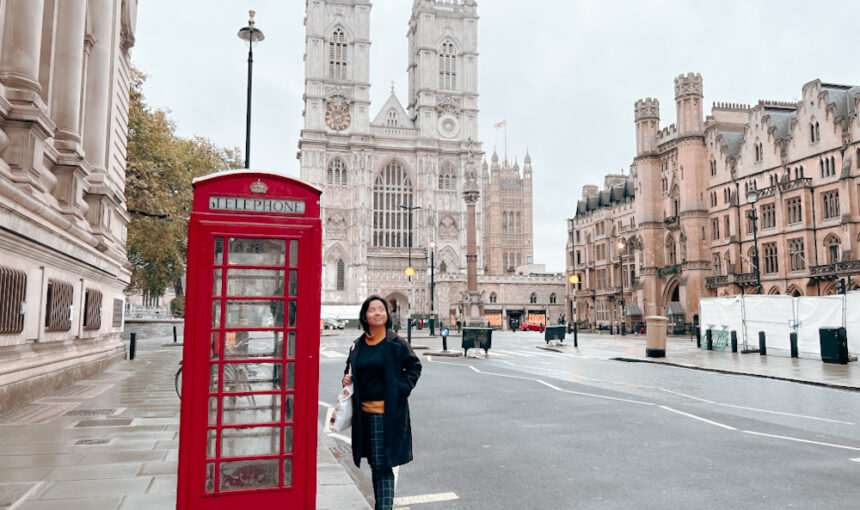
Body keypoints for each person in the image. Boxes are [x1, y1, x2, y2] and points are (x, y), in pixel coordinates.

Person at [342, 296, 422, 510]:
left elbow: (414, 367)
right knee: (376, 465)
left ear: (387, 315)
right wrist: (347, 379)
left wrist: (400, 390)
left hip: (385, 415)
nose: (377, 313)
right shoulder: (359, 344)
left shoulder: (395, 342)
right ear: (364, 316)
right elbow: (351, 369)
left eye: (381, 309)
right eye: (372, 309)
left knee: (383, 465)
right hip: (363, 416)